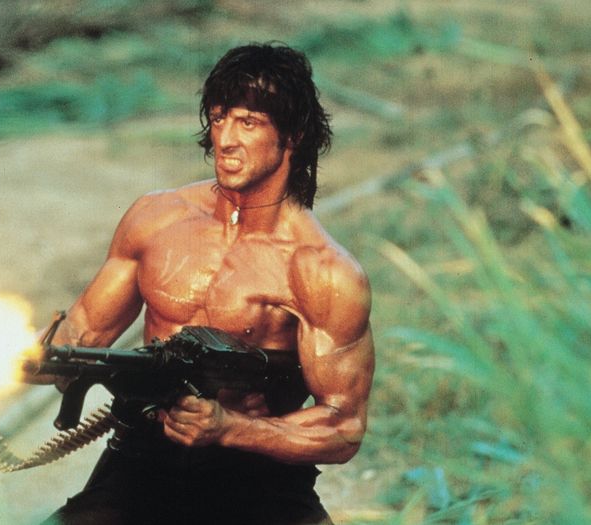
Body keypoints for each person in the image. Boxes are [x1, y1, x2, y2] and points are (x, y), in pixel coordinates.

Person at [35, 42, 375, 525]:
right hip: (144, 460)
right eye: (218, 118)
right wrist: (14, 357)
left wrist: (229, 428)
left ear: (293, 135)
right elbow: (81, 334)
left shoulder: (321, 270)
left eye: (249, 123)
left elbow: (344, 427)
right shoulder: (156, 219)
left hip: (259, 478)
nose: (226, 140)